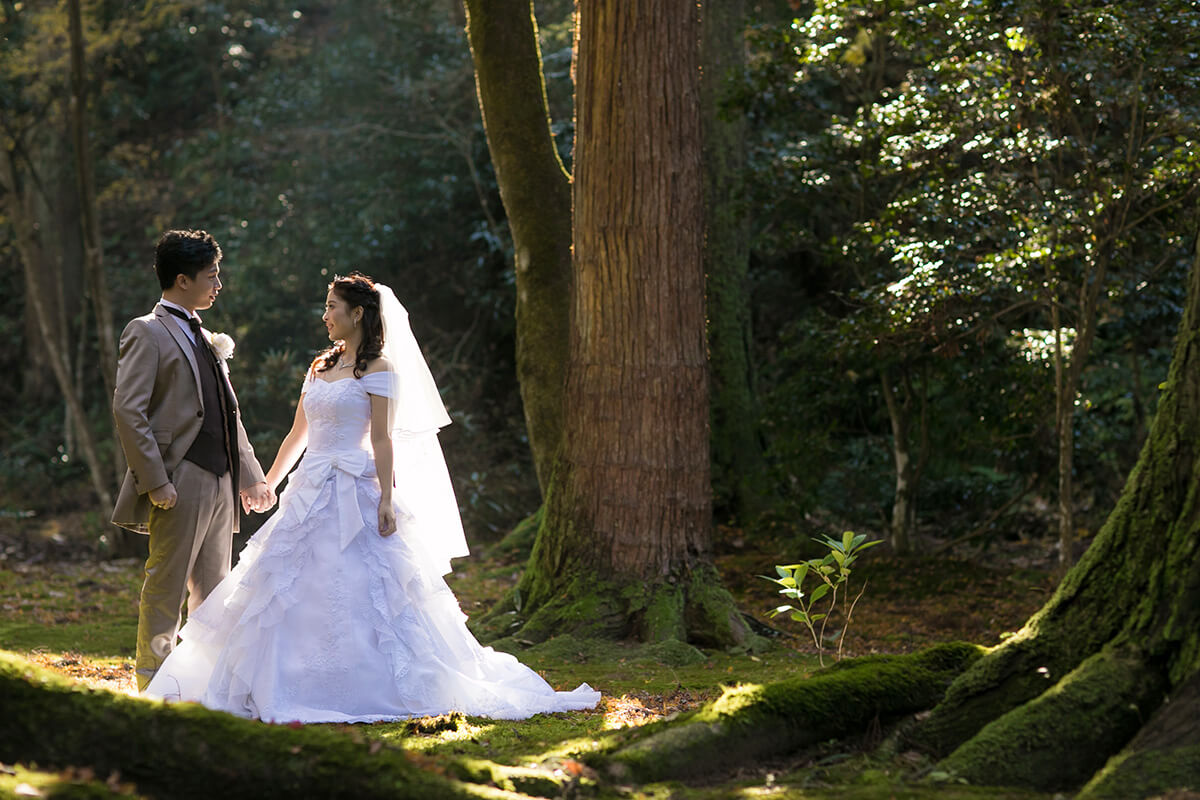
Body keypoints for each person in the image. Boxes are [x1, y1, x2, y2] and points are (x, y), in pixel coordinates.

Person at [144, 273, 599, 722]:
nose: (325, 316)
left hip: (357, 488)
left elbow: (382, 439)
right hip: (310, 489)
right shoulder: (319, 367)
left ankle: (371, 681)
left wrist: (385, 497)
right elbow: (297, 436)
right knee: (283, 585)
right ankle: (280, 678)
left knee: (372, 589)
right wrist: (268, 482)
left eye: (332, 308)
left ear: (357, 313)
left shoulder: (380, 370)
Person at [112, 229, 274, 691]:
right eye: (211, 275)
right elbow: (128, 410)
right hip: (179, 478)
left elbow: (227, 413)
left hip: (222, 481)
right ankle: (153, 682)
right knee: (167, 581)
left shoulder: (206, 336)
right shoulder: (147, 331)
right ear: (182, 279)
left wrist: (251, 477)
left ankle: (200, 681)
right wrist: (156, 480)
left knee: (215, 587)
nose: (218, 284)